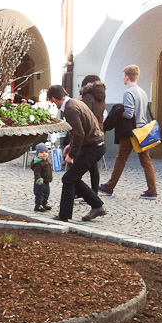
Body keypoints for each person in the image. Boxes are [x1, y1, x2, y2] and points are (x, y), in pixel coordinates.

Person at [47, 84, 107, 222]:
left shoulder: (70, 109)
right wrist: (70, 146)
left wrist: (71, 155)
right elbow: (81, 131)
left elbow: (79, 134)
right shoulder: (75, 103)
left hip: (92, 147)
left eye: (52, 101)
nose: (53, 104)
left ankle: (65, 215)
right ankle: (96, 205)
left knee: (68, 179)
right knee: (73, 178)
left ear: (54, 99)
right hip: (95, 144)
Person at [99, 64, 158, 199]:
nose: (123, 78)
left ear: (127, 77)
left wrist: (119, 113)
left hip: (131, 132)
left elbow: (129, 113)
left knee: (121, 159)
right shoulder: (142, 92)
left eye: (124, 76)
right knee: (146, 161)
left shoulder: (128, 92)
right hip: (142, 130)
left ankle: (109, 187)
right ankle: (152, 190)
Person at [78, 74, 107, 193]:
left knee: (80, 163)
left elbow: (85, 113)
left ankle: (82, 192)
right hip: (99, 129)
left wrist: (79, 103)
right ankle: (93, 191)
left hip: (89, 131)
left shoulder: (88, 96)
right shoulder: (101, 96)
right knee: (92, 165)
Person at [31, 143, 53, 212]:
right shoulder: (38, 163)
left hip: (46, 181)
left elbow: (48, 170)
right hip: (40, 182)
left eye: (45, 152)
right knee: (40, 194)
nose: (44, 154)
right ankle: (38, 205)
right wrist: (39, 179)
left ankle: (44, 204)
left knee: (46, 193)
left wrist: (50, 176)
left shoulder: (46, 161)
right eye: (41, 152)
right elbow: (37, 172)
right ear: (37, 154)